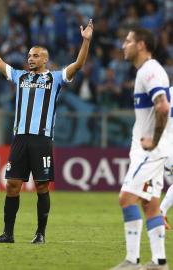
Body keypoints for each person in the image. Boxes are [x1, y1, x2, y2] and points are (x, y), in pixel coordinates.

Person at [0, 17, 93, 244]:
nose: (30, 58)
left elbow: (78, 64)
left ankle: (40, 233)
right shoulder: (20, 77)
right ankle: (8, 234)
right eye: (29, 55)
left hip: (41, 139)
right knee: (12, 185)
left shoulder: (56, 77)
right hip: (20, 138)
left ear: (46, 59)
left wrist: (86, 41)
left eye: (36, 55)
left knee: (41, 185)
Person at [111, 28, 172, 270]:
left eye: (128, 41)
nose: (123, 45)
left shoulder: (150, 71)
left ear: (142, 44)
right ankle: (159, 262)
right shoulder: (146, 71)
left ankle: (132, 261)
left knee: (126, 199)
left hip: (151, 152)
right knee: (150, 205)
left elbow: (163, 107)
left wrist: (154, 140)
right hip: (151, 151)